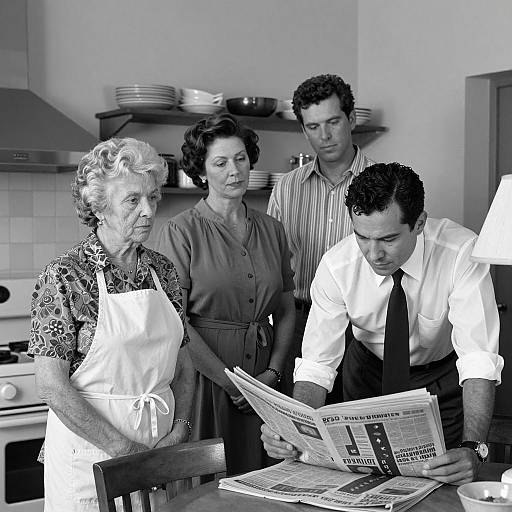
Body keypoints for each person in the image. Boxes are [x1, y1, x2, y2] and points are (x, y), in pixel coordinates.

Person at [261, 162, 503, 485]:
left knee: (442, 477)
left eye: (388, 239)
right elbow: (316, 366)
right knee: (365, 480)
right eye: (362, 237)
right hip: (368, 373)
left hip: (440, 377)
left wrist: (476, 447)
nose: (374, 254)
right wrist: (295, 432)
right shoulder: (337, 266)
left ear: (419, 224)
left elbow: (478, 360)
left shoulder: (460, 253)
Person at [28, 137, 195, 511]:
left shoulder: (162, 271)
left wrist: (180, 428)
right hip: (90, 456)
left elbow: (184, 364)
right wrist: (125, 451)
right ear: (99, 207)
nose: (149, 211)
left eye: (153, 198)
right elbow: (51, 386)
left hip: (158, 448)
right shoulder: (65, 277)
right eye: (133, 200)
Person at [156, 113, 295, 476]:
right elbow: (176, 321)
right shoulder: (181, 232)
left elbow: (284, 307)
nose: (234, 170)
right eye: (220, 162)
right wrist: (228, 380)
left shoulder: (273, 230)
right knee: (210, 483)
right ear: (201, 173)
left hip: (266, 382)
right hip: (205, 380)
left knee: (271, 479)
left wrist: (274, 372)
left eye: (240, 158)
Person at [267, 73, 374, 397]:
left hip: (362, 329)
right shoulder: (286, 188)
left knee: (357, 427)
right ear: (303, 129)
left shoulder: (383, 184)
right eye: (313, 127)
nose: (324, 135)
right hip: (299, 322)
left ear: (351, 118)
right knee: (301, 427)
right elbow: (273, 263)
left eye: (332, 122)